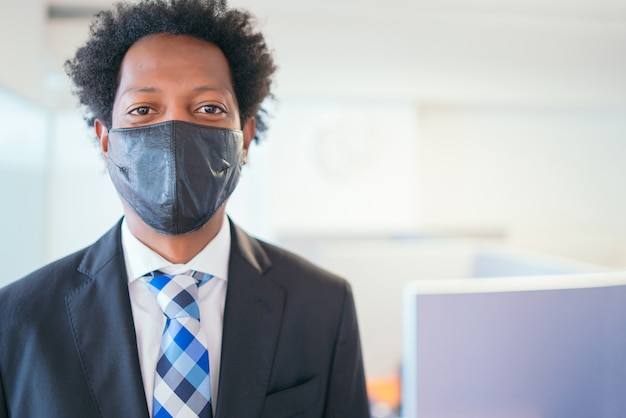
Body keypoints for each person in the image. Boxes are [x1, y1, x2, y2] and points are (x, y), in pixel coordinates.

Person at [0, 0, 370, 417]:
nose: (174, 130)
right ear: (106, 140)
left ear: (244, 137)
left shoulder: (322, 305)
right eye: (143, 110)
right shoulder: (17, 320)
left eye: (209, 108)